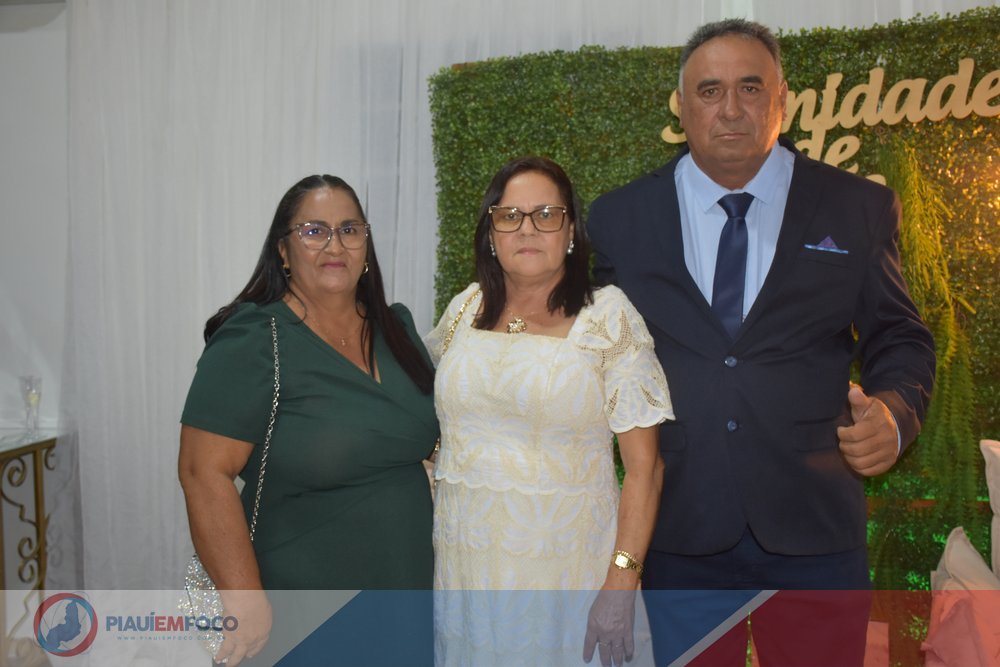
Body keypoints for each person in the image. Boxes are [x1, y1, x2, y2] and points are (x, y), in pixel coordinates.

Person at [588, 18, 936, 667]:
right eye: (710, 90)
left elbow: (900, 335)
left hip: (816, 532)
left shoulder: (855, 207)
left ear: (783, 101)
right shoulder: (620, 219)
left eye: (750, 88)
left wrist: (895, 412)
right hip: (681, 531)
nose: (730, 108)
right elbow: (596, 354)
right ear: (681, 106)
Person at [178, 175, 439, 666]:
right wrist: (243, 597)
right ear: (283, 250)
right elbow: (201, 472)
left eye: (349, 229)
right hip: (302, 603)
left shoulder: (396, 328)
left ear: (366, 245)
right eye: (314, 231)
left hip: (404, 592)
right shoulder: (255, 338)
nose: (334, 245)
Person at [425, 156, 674, 666]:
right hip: (467, 573)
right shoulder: (464, 309)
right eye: (509, 215)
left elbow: (645, 469)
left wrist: (622, 580)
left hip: (570, 577)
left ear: (571, 231)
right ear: (490, 233)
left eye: (546, 214)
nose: (527, 228)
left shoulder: (607, 316)